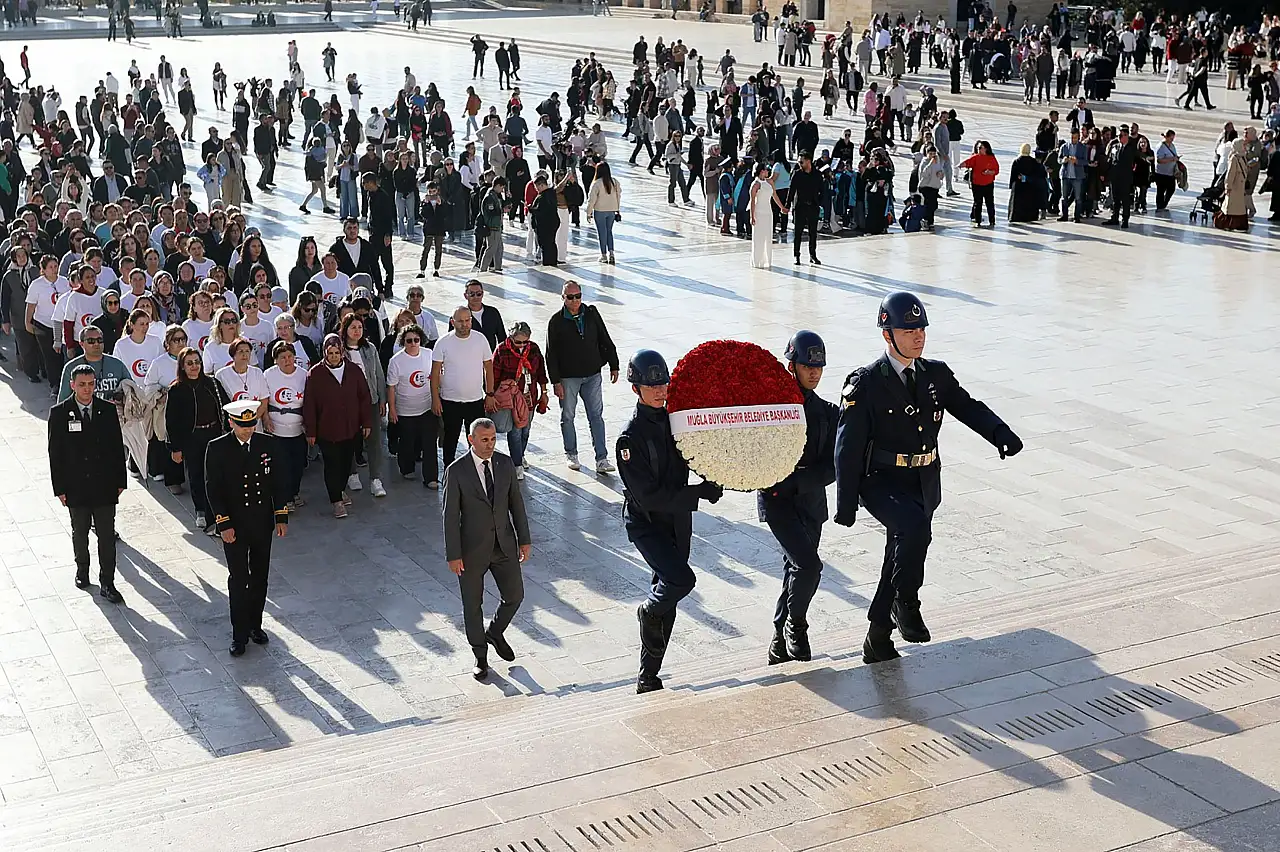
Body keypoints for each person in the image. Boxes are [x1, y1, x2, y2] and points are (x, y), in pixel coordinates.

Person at [834, 292, 1023, 664]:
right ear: (888, 334)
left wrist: (1000, 432)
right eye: (908, 329)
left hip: (923, 479)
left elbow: (967, 406)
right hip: (881, 480)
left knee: (901, 551)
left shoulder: (935, 374)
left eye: (921, 328)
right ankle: (907, 602)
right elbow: (848, 446)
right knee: (914, 530)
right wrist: (845, 504)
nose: (918, 336)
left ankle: (877, 637)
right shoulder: (866, 382)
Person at [616, 349, 723, 693]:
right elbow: (648, 496)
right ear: (636, 389)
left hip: (677, 521)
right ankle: (646, 611)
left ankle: (648, 676)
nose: (661, 390)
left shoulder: (678, 421)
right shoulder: (629, 439)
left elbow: (697, 453)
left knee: (669, 598)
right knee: (678, 581)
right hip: (647, 525)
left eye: (664, 383)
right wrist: (696, 495)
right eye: (652, 385)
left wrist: (712, 478)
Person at [760, 331, 838, 664]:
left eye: (819, 366)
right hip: (778, 501)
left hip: (810, 502)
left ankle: (778, 640)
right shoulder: (770, 407)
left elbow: (835, 464)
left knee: (796, 569)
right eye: (807, 366)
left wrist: (801, 481)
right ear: (791, 365)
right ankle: (796, 625)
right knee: (808, 565)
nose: (814, 373)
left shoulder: (829, 412)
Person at [442, 418, 531, 681]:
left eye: (492, 439)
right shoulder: (456, 471)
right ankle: (480, 657)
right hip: (471, 551)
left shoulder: (504, 464)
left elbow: (517, 503)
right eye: (484, 440)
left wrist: (524, 539)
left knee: (515, 595)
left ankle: (495, 631)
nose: (489, 444)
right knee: (472, 606)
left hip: (504, 544)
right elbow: (450, 515)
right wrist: (453, 554)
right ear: (471, 440)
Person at [205, 400, 290, 657]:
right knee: (239, 579)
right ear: (231, 423)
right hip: (235, 526)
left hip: (261, 522)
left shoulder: (267, 445)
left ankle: (256, 625)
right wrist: (223, 524)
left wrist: (281, 516)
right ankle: (239, 633)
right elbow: (214, 488)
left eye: (251, 424)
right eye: (242, 425)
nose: (248, 429)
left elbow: (279, 481)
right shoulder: (218, 448)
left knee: (260, 577)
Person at [49, 364, 128, 604]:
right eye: (82, 384)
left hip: (103, 485)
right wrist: (60, 488)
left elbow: (117, 447)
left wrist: (120, 481)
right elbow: (56, 453)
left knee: (106, 535)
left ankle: (108, 581)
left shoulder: (106, 409)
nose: (87, 389)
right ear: (72, 385)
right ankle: (82, 570)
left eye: (91, 384)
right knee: (80, 531)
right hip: (76, 486)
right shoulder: (60, 413)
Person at [545, 281, 619, 474]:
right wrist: (555, 381)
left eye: (578, 296)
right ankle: (571, 453)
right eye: (570, 297)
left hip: (592, 374)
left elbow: (604, 337)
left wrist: (614, 364)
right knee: (568, 416)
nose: (575, 300)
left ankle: (601, 458)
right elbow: (551, 354)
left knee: (596, 416)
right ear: (563, 298)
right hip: (568, 378)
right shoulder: (556, 321)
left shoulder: (591, 314)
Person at [304, 333, 373, 518]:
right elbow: (309, 404)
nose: (334, 356)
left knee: (345, 464)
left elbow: (364, 397)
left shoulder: (353, 371)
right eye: (330, 352)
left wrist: (366, 422)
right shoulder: (315, 374)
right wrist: (311, 430)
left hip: (350, 428)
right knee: (332, 465)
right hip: (327, 430)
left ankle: (340, 489)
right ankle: (336, 500)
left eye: (337, 352)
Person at [166, 346, 231, 533]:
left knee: (216, 474)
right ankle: (201, 510)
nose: (194, 366)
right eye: (189, 363)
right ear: (182, 367)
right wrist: (175, 448)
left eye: (197, 362)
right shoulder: (176, 389)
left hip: (214, 433)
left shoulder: (212, 383)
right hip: (192, 438)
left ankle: (218, 510)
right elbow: (171, 421)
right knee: (196, 474)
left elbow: (225, 406)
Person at [432, 306, 496, 472]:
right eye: (460, 321)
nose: (464, 324)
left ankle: (477, 470)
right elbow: (435, 373)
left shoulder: (480, 339)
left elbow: (489, 367)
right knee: (450, 438)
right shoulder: (443, 342)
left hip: (475, 400)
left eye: (467, 320)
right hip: (449, 401)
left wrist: (490, 393)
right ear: (452, 322)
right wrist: (435, 399)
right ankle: (448, 470)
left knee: (476, 439)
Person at [491, 321, 548, 480]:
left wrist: (544, 392)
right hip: (512, 398)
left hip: (530, 396)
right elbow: (494, 376)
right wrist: (492, 396)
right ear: (511, 338)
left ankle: (520, 455)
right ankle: (517, 464)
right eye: (518, 342)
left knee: (526, 430)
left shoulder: (534, 349)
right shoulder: (502, 350)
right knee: (516, 431)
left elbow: (541, 372)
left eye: (525, 342)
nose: (522, 345)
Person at [387, 323, 439, 487]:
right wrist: (392, 409)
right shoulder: (396, 361)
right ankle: (406, 468)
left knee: (430, 444)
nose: (413, 343)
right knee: (407, 442)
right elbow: (391, 387)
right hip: (405, 410)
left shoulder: (429, 354)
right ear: (403, 342)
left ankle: (431, 478)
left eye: (416, 340)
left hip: (427, 408)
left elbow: (437, 378)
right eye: (409, 341)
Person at [750, 163, 787, 269]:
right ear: (761, 171)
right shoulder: (756, 184)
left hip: (768, 212)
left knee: (767, 236)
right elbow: (753, 201)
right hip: (759, 212)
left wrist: (782, 207)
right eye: (766, 170)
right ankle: (757, 260)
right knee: (759, 237)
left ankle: (767, 260)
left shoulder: (769, 182)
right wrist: (752, 216)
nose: (768, 171)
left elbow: (774, 195)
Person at [584, 160, 621, 264]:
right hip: (612, 210)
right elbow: (618, 196)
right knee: (609, 231)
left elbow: (592, 199)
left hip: (600, 210)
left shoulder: (596, 183)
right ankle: (612, 253)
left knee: (602, 233)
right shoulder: (615, 182)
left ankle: (603, 255)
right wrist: (618, 209)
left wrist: (588, 212)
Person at [789, 151, 822, 265]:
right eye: (798, 162)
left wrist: (820, 203)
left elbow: (822, 189)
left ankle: (812, 255)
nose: (800, 164)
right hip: (800, 207)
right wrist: (787, 206)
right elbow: (791, 191)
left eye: (801, 162)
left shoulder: (817, 174)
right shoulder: (797, 174)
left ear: (808, 161)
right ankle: (796, 255)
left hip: (813, 206)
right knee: (798, 232)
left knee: (813, 233)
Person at [960, 140, 1000, 227]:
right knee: (978, 203)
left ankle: (992, 220)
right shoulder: (975, 157)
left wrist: (990, 172)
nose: (978, 149)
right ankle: (978, 221)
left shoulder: (991, 158)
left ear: (985, 149)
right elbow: (968, 162)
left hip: (988, 184)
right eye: (978, 147)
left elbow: (996, 170)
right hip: (977, 184)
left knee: (989, 203)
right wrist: (961, 165)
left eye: (980, 147)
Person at [1008, 142, 1047, 222]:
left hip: (1018, 188)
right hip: (1030, 188)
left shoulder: (1016, 162)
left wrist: (1012, 186)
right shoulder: (1034, 162)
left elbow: (1013, 177)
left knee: (1017, 206)